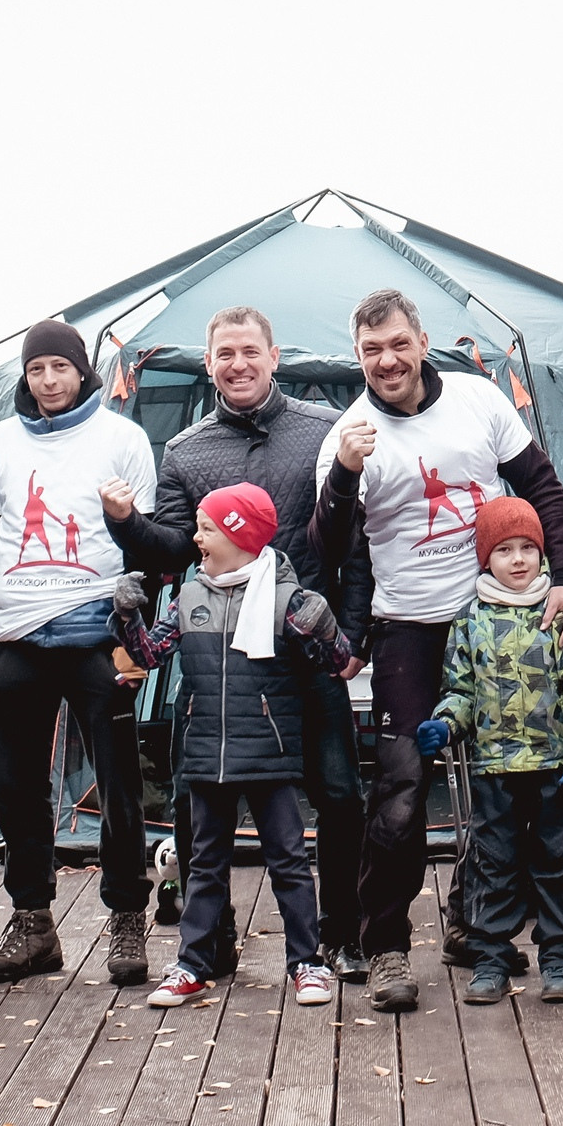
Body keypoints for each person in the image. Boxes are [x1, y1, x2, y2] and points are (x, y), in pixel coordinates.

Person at [313, 289, 563, 1014]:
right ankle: (388, 948)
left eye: (398, 343)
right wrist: (343, 473)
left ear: (422, 339)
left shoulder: (477, 400)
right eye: (372, 351)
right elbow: (327, 547)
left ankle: (475, 920)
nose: (388, 360)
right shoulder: (350, 432)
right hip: (410, 625)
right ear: (358, 357)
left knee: (517, 779)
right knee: (402, 788)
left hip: (503, 617)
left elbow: (545, 492)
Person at [105, 305, 373, 979]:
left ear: (274, 356)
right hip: (217, 657)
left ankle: (341, 935)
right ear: (210, 363)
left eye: (250, 351)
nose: (238, 364)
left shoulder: (322, 431)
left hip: (304, 651)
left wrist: (354, 635)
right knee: (198, 804)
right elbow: (170, 550)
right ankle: (212, 941)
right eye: (225, 353)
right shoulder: (187, 451)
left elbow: (355, 546)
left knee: (339, 793)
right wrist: (126, 525)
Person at [0, 321, 159, 987]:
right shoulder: (1, 444)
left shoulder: (123, 438)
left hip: (99, 634)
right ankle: (33, 921)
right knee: (16, 786)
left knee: (120, 786)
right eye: (37, 369)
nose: (48, 381)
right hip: (19, 635)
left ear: (82, 372)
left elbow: (146, 552)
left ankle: (128, 918)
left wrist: (137, 641)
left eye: (59, 368)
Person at [111, 484, 349, 1011]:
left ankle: (306, 963)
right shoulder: (187, 596)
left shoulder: (287, 599)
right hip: (205, 753)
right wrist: (128, 616)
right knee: (204, 863)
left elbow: (335, 665)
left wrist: (327, 630)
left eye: (207, 528)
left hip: (270, 752)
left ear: (240, 536)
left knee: (288, 860)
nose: (195, 537)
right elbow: (149, 656)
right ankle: (191, 963)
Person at [416, 500, 563, 1006]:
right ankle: (491, 960)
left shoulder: (559, 612)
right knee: (493, 865)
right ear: (486, 558)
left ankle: (560, 958)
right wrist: (445, 723)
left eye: (527, 548)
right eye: (504, 550)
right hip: (494, 769)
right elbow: (460, 689)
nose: (518, 559)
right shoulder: (470, 622)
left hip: (558, 770)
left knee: (559, 864)